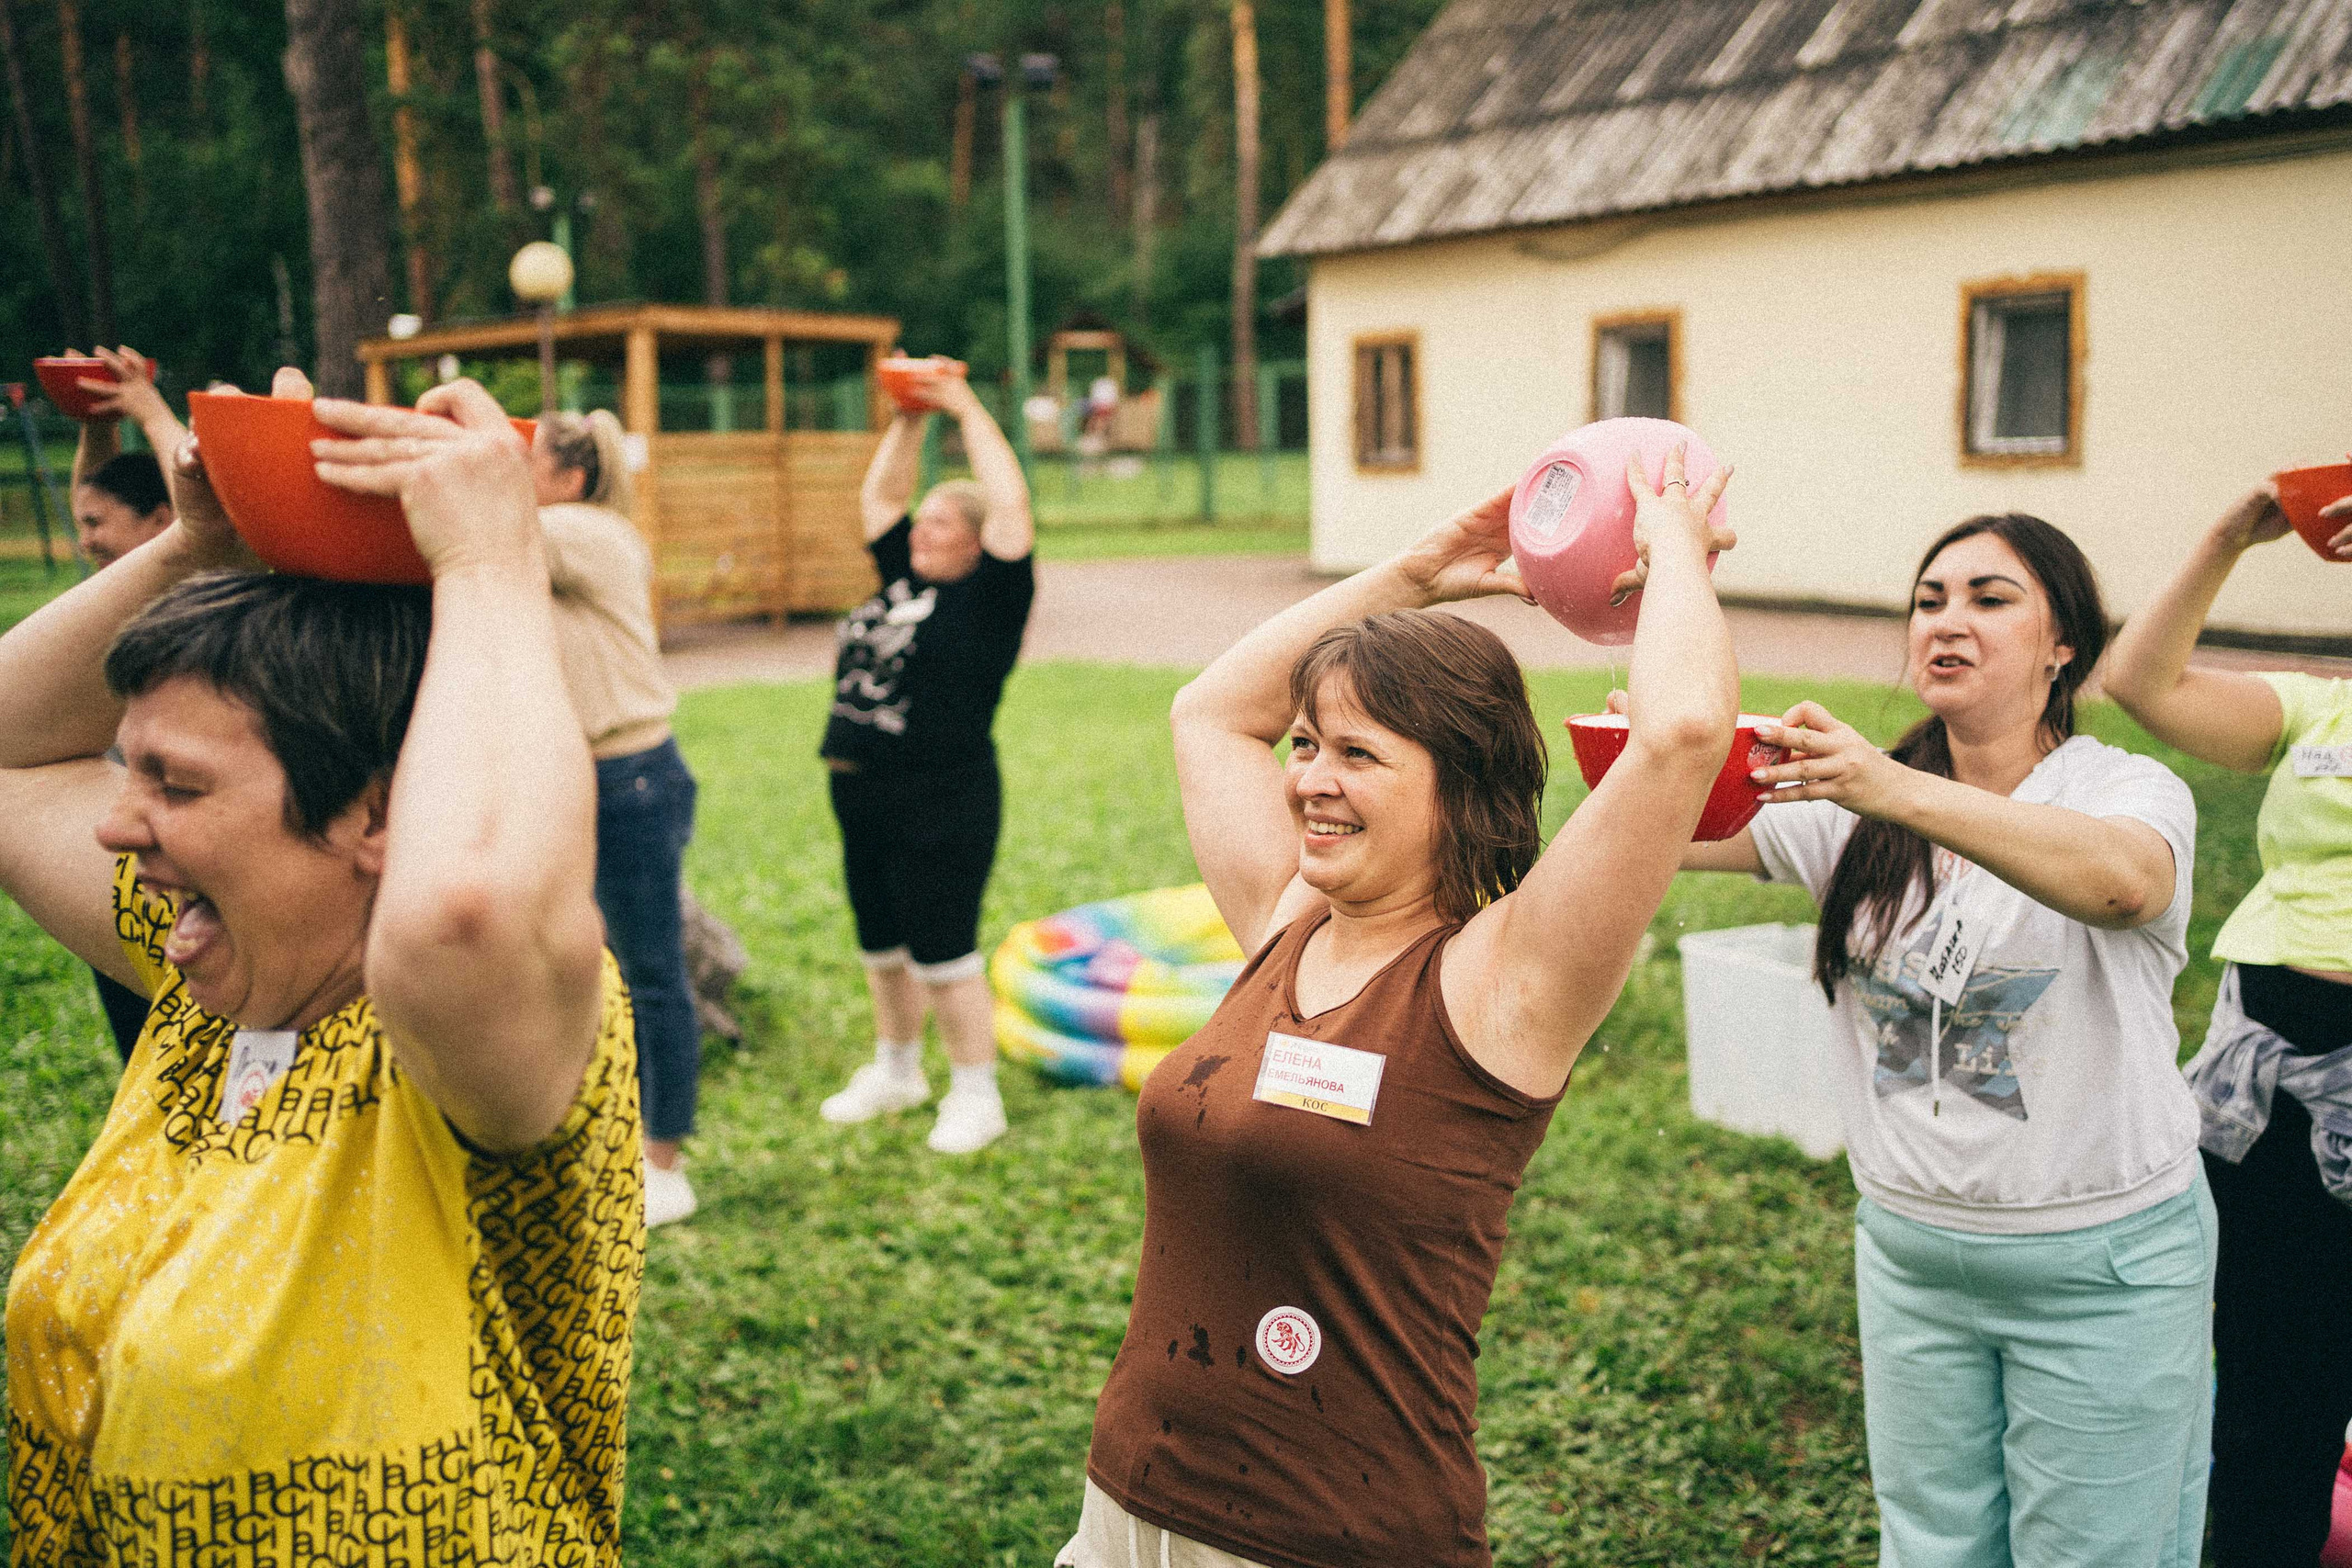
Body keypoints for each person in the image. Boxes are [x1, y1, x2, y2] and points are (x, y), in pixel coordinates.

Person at [0, 373, 642, 1562]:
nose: (115, 822)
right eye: (127, 769)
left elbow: (461, 909)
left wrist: (495, 562)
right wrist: (196, 549)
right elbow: (6, 753)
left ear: (378, 814)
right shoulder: (211, 977)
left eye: (175, 783)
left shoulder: (469, 1040)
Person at [1061, 449, 1741, 1568]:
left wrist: (1670, 541)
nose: (1309, 780)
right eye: (1307, 747)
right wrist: (1419, 570)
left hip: (1329, 1536)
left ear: (1460, 786)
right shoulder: (1287, 921)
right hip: (1129, 1503)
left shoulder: (1504, 984)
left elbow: (1677, 737)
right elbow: (1209, 711)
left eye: (1358, 755)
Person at [1675, 514, 2209, 1568]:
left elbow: (2122, 882)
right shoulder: (1844, 806)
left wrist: (1884, 785)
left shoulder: (2124, 792)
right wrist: (1670, 589)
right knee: (1930, 1547)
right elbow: (1658, 813)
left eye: (1989, 598)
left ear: (2065, 646)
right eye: (1929, 600)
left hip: (2101, 1263)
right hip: (1912, 1254)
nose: (1947, 622)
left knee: (2100, 1552)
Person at [2103, 482, 2352, 1566]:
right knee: (2269, 1399)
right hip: (2265, 1096)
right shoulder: (2319, 708)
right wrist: (2229, 535)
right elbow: (2138, 682)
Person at [817, 367, 1035, 1154]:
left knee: (943, 949)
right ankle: (898, 1070)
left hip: (944, 793)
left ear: (978, 543)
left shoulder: (992, 598)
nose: (920, 530)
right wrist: (908, 417)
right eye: (925, 521)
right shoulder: (904, 580)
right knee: (882, 943)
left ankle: (977, 1093)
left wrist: (962, 406)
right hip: (862, 791)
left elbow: (1009, 501)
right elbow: (880, 498)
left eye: (940, 523)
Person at [530, 406, 703, 1227]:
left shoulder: (581, 531)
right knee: (587, 973)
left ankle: (665, 1164)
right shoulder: (558, 533)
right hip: (580, 779)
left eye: (526, 460)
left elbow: (476, 530)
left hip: (629, 778)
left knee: (651, 977)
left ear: (569, 476)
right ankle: (606, 1136)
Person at [62, 345, 191, 1061]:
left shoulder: (192, 579)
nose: (86, 541)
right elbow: (94, 488)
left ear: (161, 519)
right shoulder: (119, 582)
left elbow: (199, 487)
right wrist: (95, 419)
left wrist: (146, 404)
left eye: (98, 526)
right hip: (128, 833)